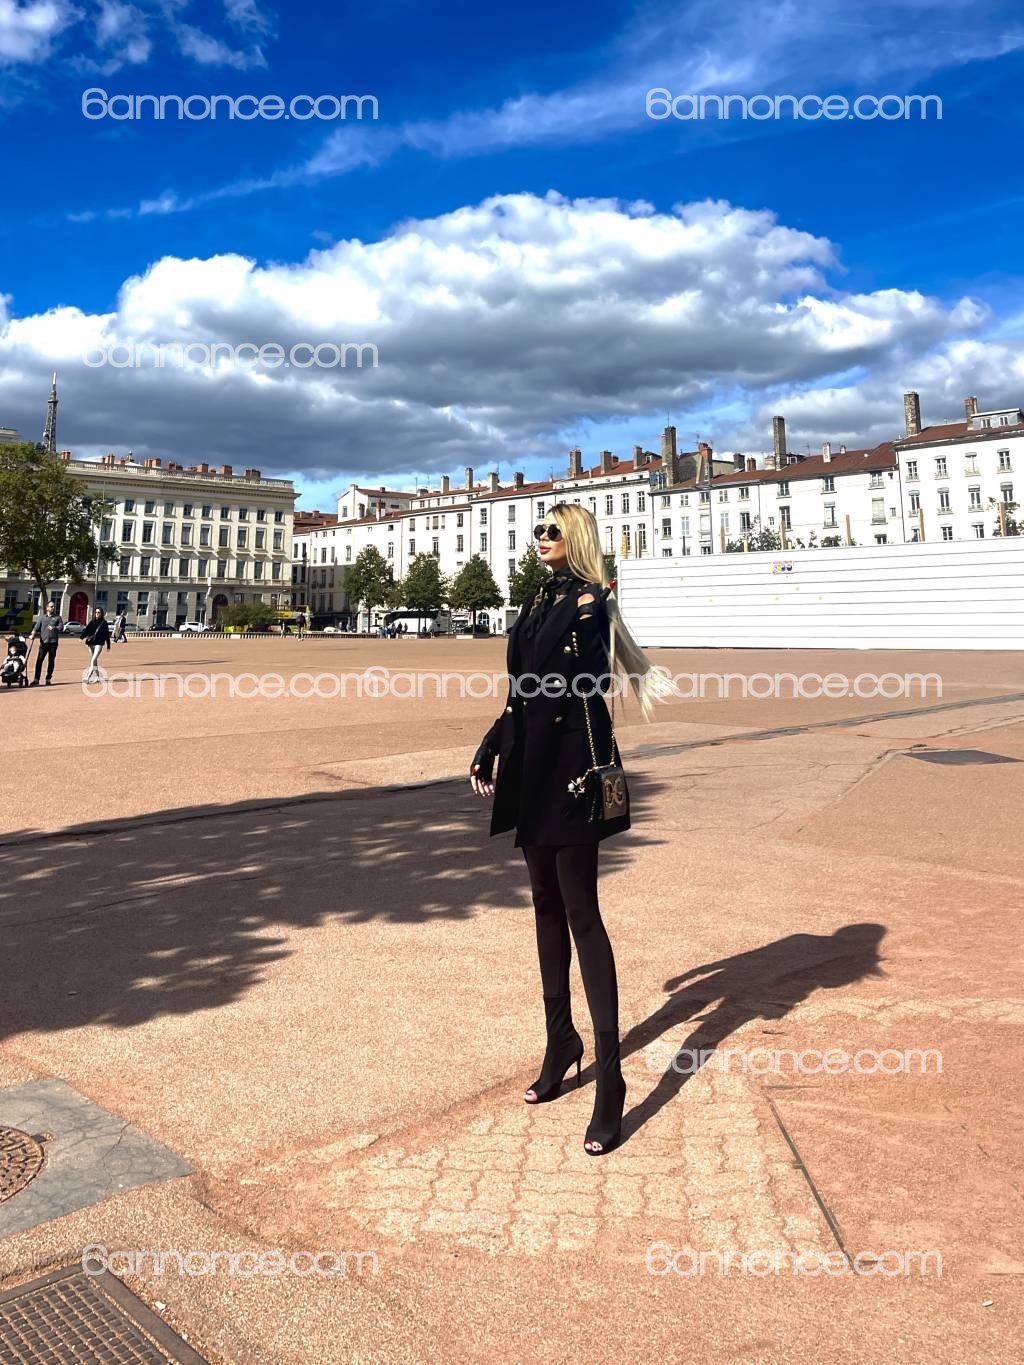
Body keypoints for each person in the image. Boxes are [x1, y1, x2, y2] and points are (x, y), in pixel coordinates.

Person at [470, 502, 675, 1156]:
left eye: (552, 530)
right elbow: (520, 688)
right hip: (530, 765)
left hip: (572, 769)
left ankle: (610, 1079)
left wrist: (595, 619)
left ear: (575, 538)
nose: (541, 538)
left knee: (582, 911)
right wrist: (492, 743)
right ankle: (561, 1040)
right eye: (538, 529)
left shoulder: (592, 602)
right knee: (543, 903)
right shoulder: (534, 602)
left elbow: (587, 680)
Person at [29, 600, 65, 686]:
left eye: (53, 606)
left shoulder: (57, 617)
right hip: (44, 643)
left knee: (51, 661)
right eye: (51, 606)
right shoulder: (42, 618)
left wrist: (54, 628)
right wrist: (32, 635)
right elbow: (36, 628)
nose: (53, 608)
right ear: (47, 607)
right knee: (39, 660)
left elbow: (61, 627)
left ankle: (48, 679)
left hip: (53, 643)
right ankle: (36, 679)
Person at [82, 607, 112, 682]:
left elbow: (106, 634)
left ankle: (88, 677)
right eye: (96, 612)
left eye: (98, 612)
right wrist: (81, 637)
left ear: (101, 614)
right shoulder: (92, 622)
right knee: (94, 661)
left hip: (99, 644)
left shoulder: (104, 623)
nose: (97, 614)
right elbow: (86, 630)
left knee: (93, 660)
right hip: (91, 644)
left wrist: (108, 645)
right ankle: (98, 677)